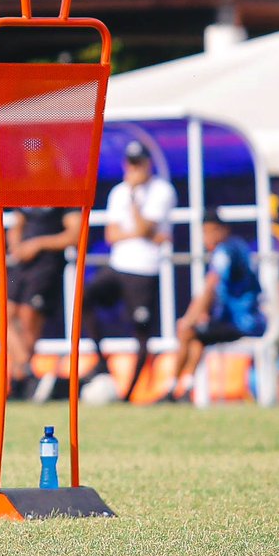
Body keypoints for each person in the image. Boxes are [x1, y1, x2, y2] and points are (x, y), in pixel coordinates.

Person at [81, 140, 176, 400]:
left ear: (148, 165)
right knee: (83, 298)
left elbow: (145, 228)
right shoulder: (117, 192)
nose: (134, 169)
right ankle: (102, 361)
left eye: (139, 164)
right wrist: (145, 233)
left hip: (144, 270)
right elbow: (112, 235)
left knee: (142, 331)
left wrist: (135, 202)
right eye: (130, 164)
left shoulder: (161, 190)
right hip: (119, 265)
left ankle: (130, 393)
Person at [170, 207, 266, 402]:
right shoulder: (236, 247)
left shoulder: (225, 251)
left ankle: (170, 388)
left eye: (211, 231)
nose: (207, 238)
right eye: (204, 232)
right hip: (244, 320)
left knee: (187, 331)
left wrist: (189, 318)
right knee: (198, 338)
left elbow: (210, 287)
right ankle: (186, 389)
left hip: (243, 323)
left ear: (223, 230)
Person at [4, 206, 81, 399]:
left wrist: (38, 244)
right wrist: (16, 246)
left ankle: (20, 381)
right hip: (22, 265)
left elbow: (75, 234)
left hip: (47, 266)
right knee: (0, 315)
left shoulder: (63, 193)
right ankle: (25, 373)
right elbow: (17, 224)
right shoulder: (26, 188)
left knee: (28, 322)